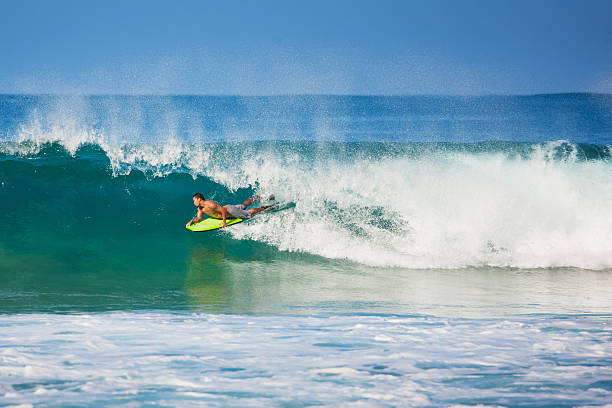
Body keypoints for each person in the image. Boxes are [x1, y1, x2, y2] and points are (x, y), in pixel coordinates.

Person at [186, 193, 273, 228]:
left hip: (230, 211)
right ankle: (259, 196)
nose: (193, 202)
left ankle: (264, 208)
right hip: (230, 208)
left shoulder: (209, 204)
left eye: (194, 200)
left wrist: (224, 222)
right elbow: (199, 218)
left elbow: (223, 210)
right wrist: (192, 221)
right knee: (242, 206)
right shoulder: (200, 208)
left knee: (248, 213)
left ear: (199, 199)